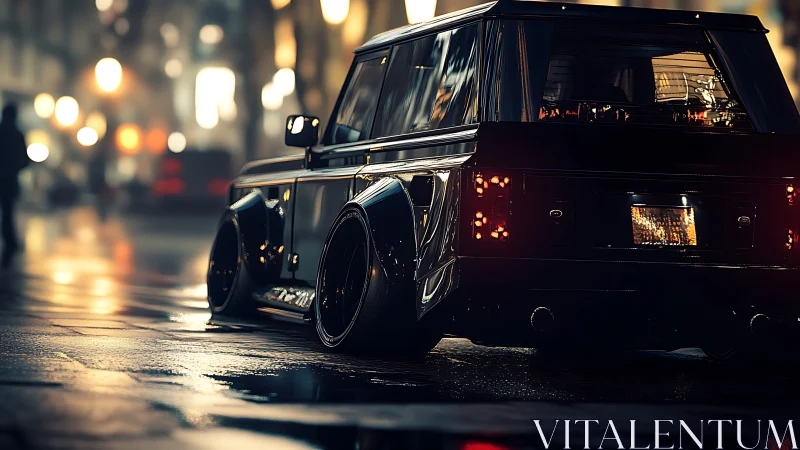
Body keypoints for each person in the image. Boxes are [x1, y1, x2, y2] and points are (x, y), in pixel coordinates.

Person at [0, 103, 29, 267]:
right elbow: (24, 160)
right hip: (9, 180)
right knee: (8, 212)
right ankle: (9, 240)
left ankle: (9, 239)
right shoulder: (17, 135)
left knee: (8, 212)